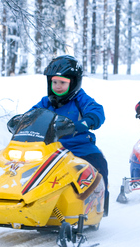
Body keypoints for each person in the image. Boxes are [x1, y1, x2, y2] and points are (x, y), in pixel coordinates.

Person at [28, 55, 109, 216]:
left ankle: (99, 206)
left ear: (73, 82)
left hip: (80, 148)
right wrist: (22, 121)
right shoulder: (46, 102)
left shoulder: (81, 99)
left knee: (99, 164)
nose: (58, 86)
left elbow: (96, 111)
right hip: (50, 150)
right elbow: (32, 114)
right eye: (54, 82)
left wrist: (87, 121)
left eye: (63, 82)